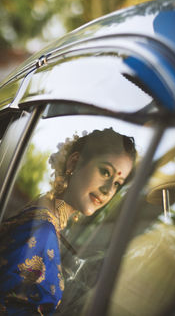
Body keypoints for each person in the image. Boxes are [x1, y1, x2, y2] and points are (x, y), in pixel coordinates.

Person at [0, 128, 136, 315]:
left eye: (117, 183)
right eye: (105, 172)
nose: (107, 190)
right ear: (74, 162)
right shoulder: (43, 230)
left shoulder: (47, 212)